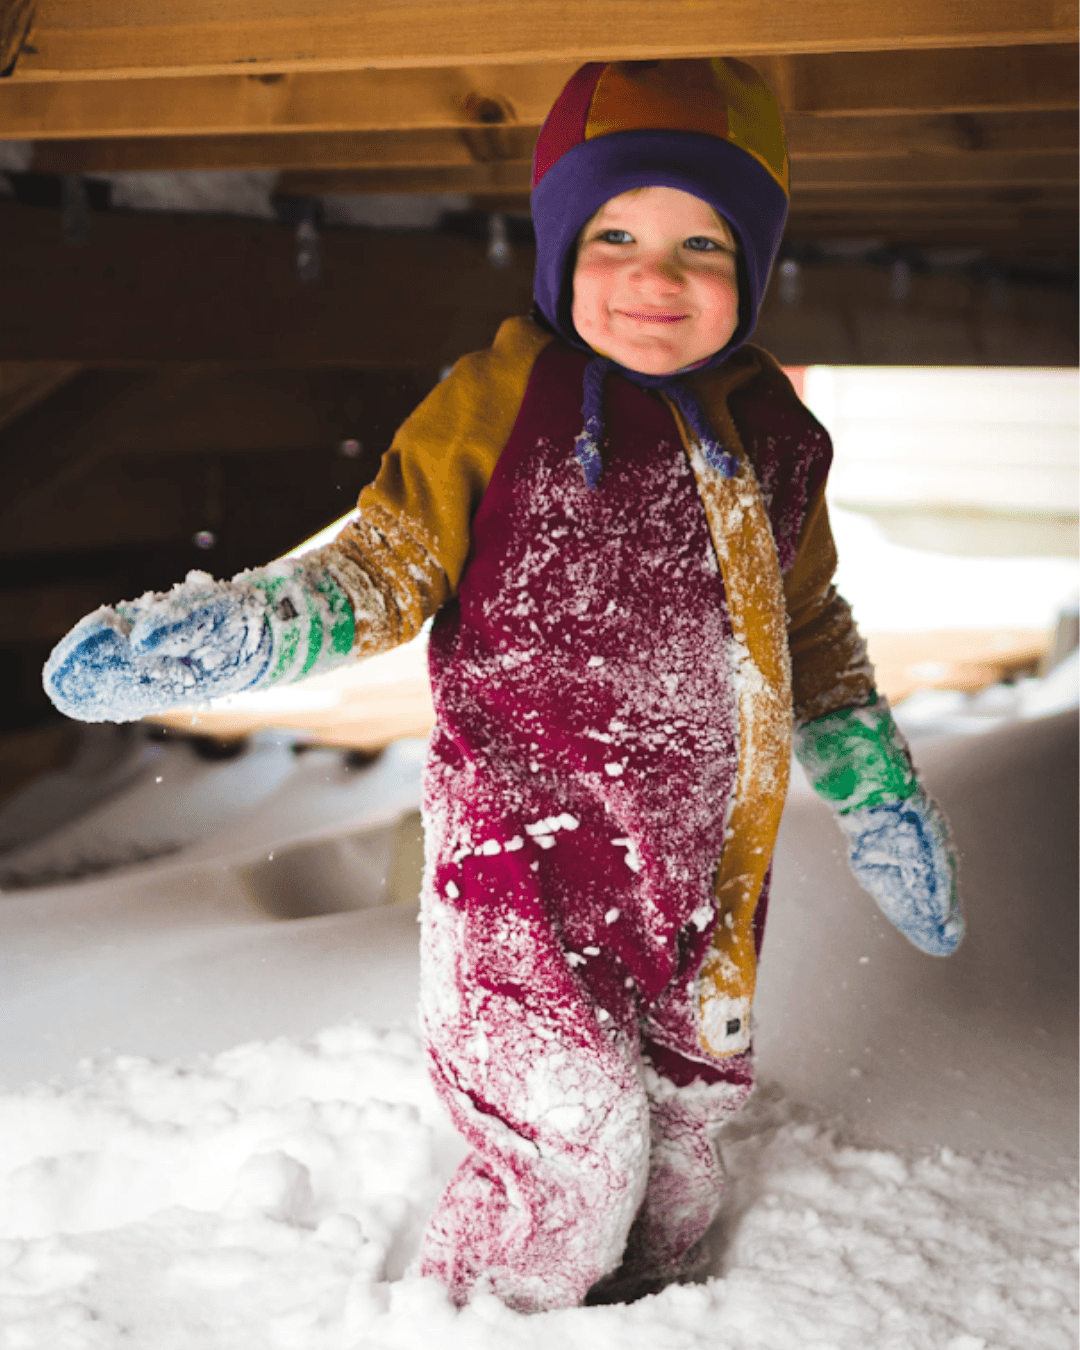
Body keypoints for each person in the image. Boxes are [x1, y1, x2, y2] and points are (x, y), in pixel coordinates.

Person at [43, 58, 963, 1313]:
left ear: (752, 270)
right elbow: (381, 567)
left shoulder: (778, 440)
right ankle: (484, 1319)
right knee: (568, 1148)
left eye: (703, 244)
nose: (655, 277)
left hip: (700, 882)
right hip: (521, 869)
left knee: (678, 1155)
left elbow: (810, 629)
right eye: (616, 235)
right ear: (557, 249)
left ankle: (658, 1317)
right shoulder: (496, 402)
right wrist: (236, 632)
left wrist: (880, 797)